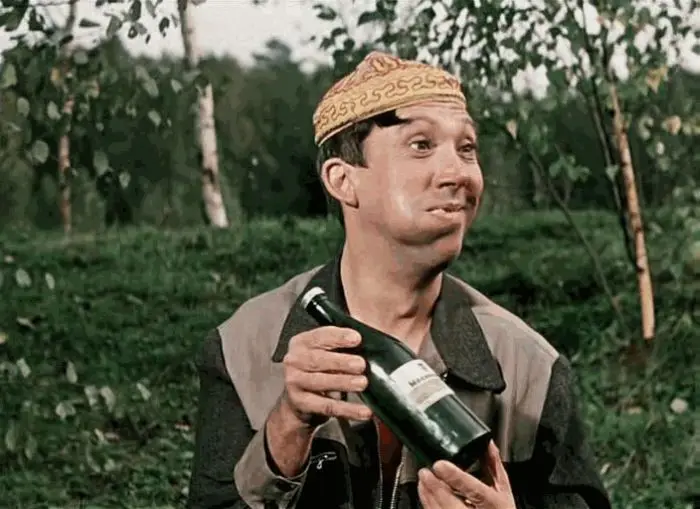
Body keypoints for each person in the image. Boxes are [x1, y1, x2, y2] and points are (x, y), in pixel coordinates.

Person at [186, 51, 612, 509]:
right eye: (421, 145)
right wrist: (286, 427)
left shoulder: (530, 370)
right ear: (342, 180)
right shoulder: (244, 347)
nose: (459, 174)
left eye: (467, 148)